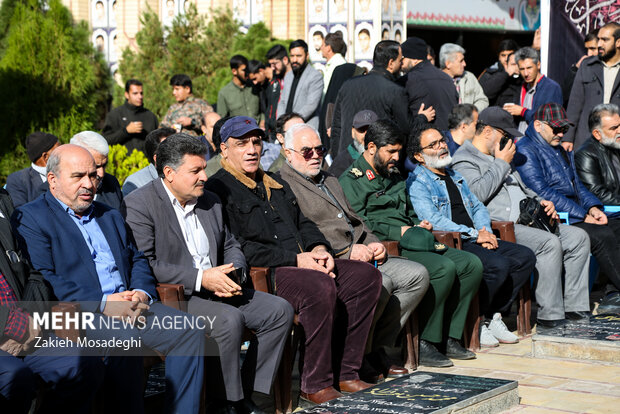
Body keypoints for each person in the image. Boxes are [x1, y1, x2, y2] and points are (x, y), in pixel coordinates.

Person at [13, 144, 206, 414]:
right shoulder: (32, 218)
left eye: (93, 176)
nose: (89, 184)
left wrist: (140, 292)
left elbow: (136, 258)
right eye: (78, 176)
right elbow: (44, 277)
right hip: (79, 313)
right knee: (123, 339)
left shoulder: (109, 214)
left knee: (189, 330)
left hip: (131, 304)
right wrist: (104, 303)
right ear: (52, 180)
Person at [205, 116, 382, 404]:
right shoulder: (218, 190)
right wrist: (297, 259)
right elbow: (238, 247)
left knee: (366, 277)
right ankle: (314, 383)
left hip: (304, 262)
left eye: (256, 142)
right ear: (224, 149)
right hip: (267, 273)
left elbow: (305, 223)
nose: (251, 150)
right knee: (318, 285)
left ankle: (347, 371)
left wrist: (320, 248)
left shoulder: (273, 181)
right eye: (241, 144)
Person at [122, 134, 294, 413]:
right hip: (178, 296)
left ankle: (247, 392)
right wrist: (202, 279)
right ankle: (225, 402)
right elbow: (146, 263)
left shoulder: (210, 200)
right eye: (196, 171)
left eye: (204, 167)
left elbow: (230, 244)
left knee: (279, 311)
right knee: (228, 320)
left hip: (222, 285)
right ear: (169, 173)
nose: (204, 176)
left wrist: (235, 272)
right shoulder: (140, 204)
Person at [278, 123, 429, 381]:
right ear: (288, 152)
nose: (315, 155)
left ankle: (372, 349)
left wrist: (372, 242)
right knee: (383, 283)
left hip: (362, 252)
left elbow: (356, 220)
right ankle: (356, 359)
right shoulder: (284, 185)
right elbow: (306, 234)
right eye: (306, 151)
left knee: (418, 276)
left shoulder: (329, 179)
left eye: (319, 149)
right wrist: (347, 251)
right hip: (334, 259)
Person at [339, 119, 483, 366]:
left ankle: (449, 335)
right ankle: (425, 341)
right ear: (372, 147)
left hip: (415, 239)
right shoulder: (352, 180)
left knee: (470, 264)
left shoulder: (394, 173)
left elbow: (407, 211)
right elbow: (360, 224)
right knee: (442, 269)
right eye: (391, 151)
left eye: (399, 151)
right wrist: (399, 230)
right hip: (388, 247)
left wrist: (418, 223)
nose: (396, 157)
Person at [452, 106, 591, 328]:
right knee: (549, 243)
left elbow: (524, 188)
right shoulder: (464, 159)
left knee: (578, 237)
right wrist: (501, 163)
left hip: (531, 219)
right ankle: (550, 314)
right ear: (488, 131)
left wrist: (542, 202)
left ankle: (576, 305)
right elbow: (476, 195)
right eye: (505, 134)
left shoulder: (501, 156)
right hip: (503, 226)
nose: (509, 141)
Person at [407, 123, 536, 347]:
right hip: (454, 242)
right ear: (419, 155)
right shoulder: (419, 183)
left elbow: (477, 207)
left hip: (475, 235)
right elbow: (435, 220)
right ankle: (478, 319)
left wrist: (485, 230)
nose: (441, 147)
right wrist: (475, 235)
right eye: (433, 144)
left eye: (442, 141)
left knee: (524, 257)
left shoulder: (454, 174)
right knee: (498, 265)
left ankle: (493, 314)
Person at [0, 187, 104, 414]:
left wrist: (29, 320)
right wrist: (11, 326)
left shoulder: (2, 201)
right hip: (8, 329)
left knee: (84, 363)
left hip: (25, 323)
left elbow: (32, 271)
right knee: (15, 376)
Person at [516, 102, 620, 314]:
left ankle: (613, 292)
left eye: (564, 129)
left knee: (613, 225)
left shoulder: (561, 149)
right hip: (552, 215)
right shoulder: (526, 149)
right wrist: (582, 215)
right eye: (556, 128)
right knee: (602, 235)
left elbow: (578, 185)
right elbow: (542, 191)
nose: (561, 133)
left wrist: (593, 207)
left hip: (573, 211)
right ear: (538, 125)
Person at [330, 40, 409, 157]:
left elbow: (336, 128)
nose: (401, 64)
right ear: (391, 63)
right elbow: (405, 129)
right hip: (376, 162)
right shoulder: (395, 91)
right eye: (400, 60)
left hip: (346, 160)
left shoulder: (347, 85)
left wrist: (337, 159)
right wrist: (422, 118)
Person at [565, 22, 620, 151]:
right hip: (587, 138)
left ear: (618, 42)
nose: (599, 44)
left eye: (605, 40)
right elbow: (575, 104)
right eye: (599, 39)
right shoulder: (587, 66)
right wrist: (567, 138)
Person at [402, 37, 458, 131]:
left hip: (424, 140)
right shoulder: (447, 79)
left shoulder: (408, 80)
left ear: (415, 59)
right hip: (448, 139)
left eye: (403, 58)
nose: (401, 62)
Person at [503, 47, 563, 133]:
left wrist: (523, 111)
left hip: (539, 143)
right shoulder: (520, 87)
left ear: (538, 65)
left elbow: (549, 120)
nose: (526, 73)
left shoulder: (552, 88)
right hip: (520, 141)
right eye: (522, 69)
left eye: (529, 68)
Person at [575, 103, 620, 204]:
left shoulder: (615, 145)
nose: (619, 130)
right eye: (614, 128)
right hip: (608, 214)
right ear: (597, 134)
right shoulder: (585, 155)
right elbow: (597, 194)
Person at [101, 79, 159, 154]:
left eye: (141, 93)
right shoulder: (115, 115)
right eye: (135, 93)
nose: (140, 96)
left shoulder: (150, 116)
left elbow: (157, 144)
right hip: (122, 163)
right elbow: (105, 141)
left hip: (147, 163)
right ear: (127, 95)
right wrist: (126, 131)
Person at [69, 131, 123, 210]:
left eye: (104, 165)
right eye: (95, 166)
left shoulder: (111, 184)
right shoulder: (55, 189)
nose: (101, 173)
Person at [277, 40, 323, 129]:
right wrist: (281, 121)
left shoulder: (315, 76)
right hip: (286, 128)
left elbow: (311, 105)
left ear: (307, 56)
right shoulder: (288, 76)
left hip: (306, 127)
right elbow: (282, 101)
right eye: (292, 56)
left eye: (298, 56)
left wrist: (291, 122)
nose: (294, 60)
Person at [6, 132, 59, 207]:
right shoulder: (18, 180)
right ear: (45, 157)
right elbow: (22, 213)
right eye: (59, 151)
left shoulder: (69, 172)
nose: (64, 153)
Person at [122, 127, 176, 196]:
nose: (181, 153)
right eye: (173, 150)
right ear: (157, 158)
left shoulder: (188, 176)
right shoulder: (135, 183)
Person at [328, 109, 378, 177]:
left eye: (371, 130)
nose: (366, 135)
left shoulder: (387, 157)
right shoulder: (341, 163)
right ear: (353, 132)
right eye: (362, 130)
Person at [439, 43, 489, 111]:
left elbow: (483, 100)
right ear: (448, 64)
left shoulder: (469, 77)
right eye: (461, 61)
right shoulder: (434, 81)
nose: (464, 64)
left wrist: (470, 112)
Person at [216, 55, 261, 122]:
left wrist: (263, 121)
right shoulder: (224, 93)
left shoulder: (255, 85)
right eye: (244, 70)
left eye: (247, 70)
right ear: (234, 71)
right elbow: (222, 120)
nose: (247, 73)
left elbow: (264, 108)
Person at [561, 32, 599, 109]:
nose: (589, 54)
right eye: (587, 49)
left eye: (593, 49)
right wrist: (576, 68)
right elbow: (565, 95)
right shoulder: (584, 67)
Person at [479, 39, 520, 106]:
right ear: (498, 56)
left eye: (510, 55)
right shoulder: (490, 72)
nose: (506, 59)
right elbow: (484, 94)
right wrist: (505, 74)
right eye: (503, 55)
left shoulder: (523, 71)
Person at [264, 45, 291, 140]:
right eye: (270, 64)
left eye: (274, 64)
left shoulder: (295, 80)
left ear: (285, 60)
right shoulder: (274, 81)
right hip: (272, 134)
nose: (272, 68)